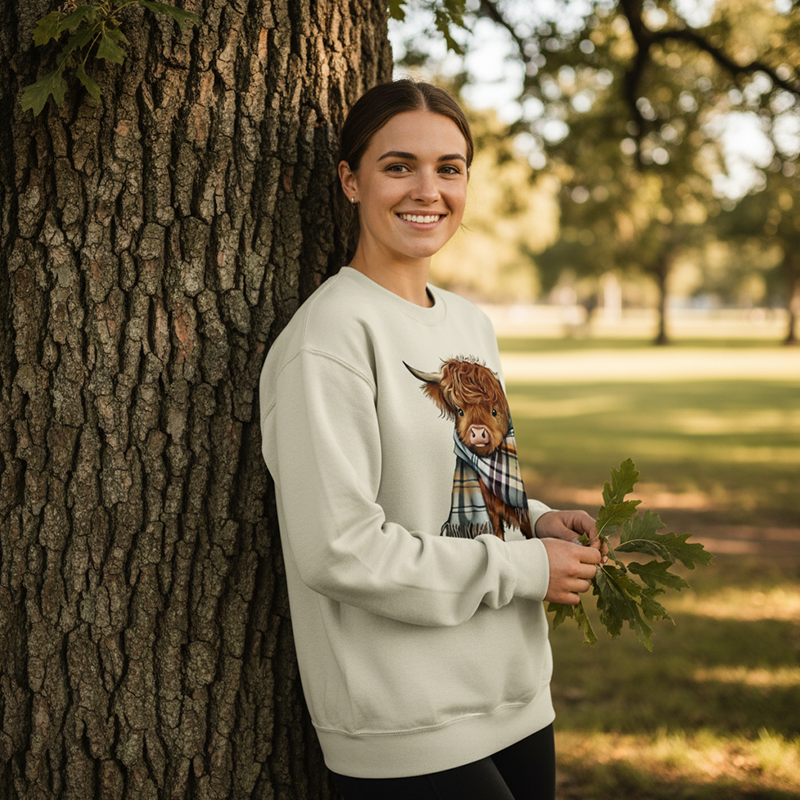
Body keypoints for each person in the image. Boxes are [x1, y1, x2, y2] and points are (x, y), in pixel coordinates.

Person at [259, 79, 605, 800]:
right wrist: (525, 569)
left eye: (449, 168)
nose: (428, 190)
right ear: (351, 181)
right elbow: (340, 549)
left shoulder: (469, 323)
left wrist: (534, 519)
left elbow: (465, 481)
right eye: (398, 166)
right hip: (406, 721)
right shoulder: (329, 337)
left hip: (516, 695)